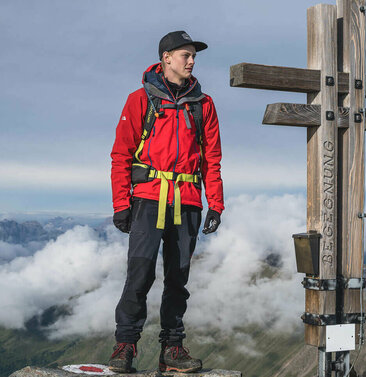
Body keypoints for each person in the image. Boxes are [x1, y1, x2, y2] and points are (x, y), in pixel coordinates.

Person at [108, 30, 224, 373]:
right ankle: (124, 346)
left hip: (187, 202)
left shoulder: (203, 104)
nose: (191, 61)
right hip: (147, 200)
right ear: (166, 58)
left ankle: (172, 350)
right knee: (139, 274)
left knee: (178, 278)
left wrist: (215, 203)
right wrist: (120, 204)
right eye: (185, 55)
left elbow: (212, 158)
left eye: (193, 56)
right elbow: (121, 155)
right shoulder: (139, 100)